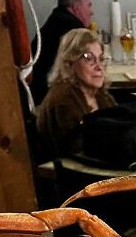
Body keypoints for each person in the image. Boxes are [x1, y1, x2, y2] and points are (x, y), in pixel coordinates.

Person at [36, 29, 115, 159]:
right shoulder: (62, 101)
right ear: (70, 62)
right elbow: (77, 153)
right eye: (89, 59)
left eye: (101, 59)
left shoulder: (101, 96)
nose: (99, 67)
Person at [31, 0, 93, 106]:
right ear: (76, 7)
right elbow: (88, 68)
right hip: (53, 103)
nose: (92, 12)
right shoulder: (73, 28)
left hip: (39, 97)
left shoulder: (58, 19)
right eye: (89, 5)